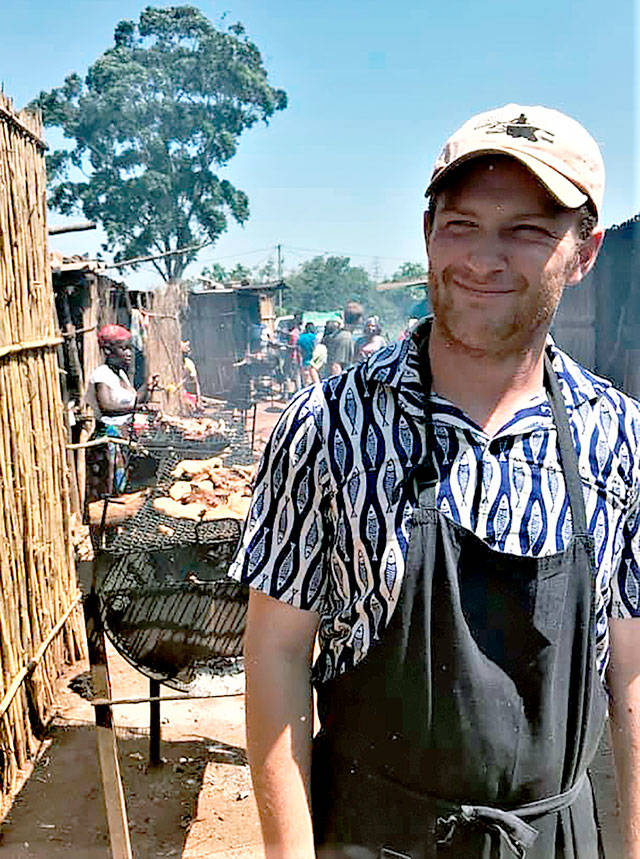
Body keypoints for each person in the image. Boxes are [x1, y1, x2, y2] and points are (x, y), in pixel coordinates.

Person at [230, 104, 640, 858]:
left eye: (527, 230)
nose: (484, 259)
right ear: (426, 232)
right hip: (374, 835)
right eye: (461, 224)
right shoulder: (328, 425)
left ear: (585, 252)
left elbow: (632, 673)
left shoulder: (618, 437)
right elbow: (278, 653)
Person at [84, 324, 154, 504]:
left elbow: (135, 401)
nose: (128, 353)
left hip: (122, 438)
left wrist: (148, 386)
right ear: (108, 350)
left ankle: (116, 529)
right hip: (107, 442)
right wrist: (135, 409)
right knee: (108, 495)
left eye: (129, 348)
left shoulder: (120, 374)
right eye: (123, 348)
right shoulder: (102, 375)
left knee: (122, 490)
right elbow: (107, 406)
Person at [181, 339, 202, 413]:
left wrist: (198, 400)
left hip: (185, 393)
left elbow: (196, 382)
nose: (189, 349)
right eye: (186, 347)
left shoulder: (189, 363)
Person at [297, 321, 320, 385]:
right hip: (314, 360)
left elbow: (299, 350)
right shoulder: (314, 337)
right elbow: (316, 348)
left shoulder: (301, 337)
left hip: (304, 360)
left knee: (306, 378)